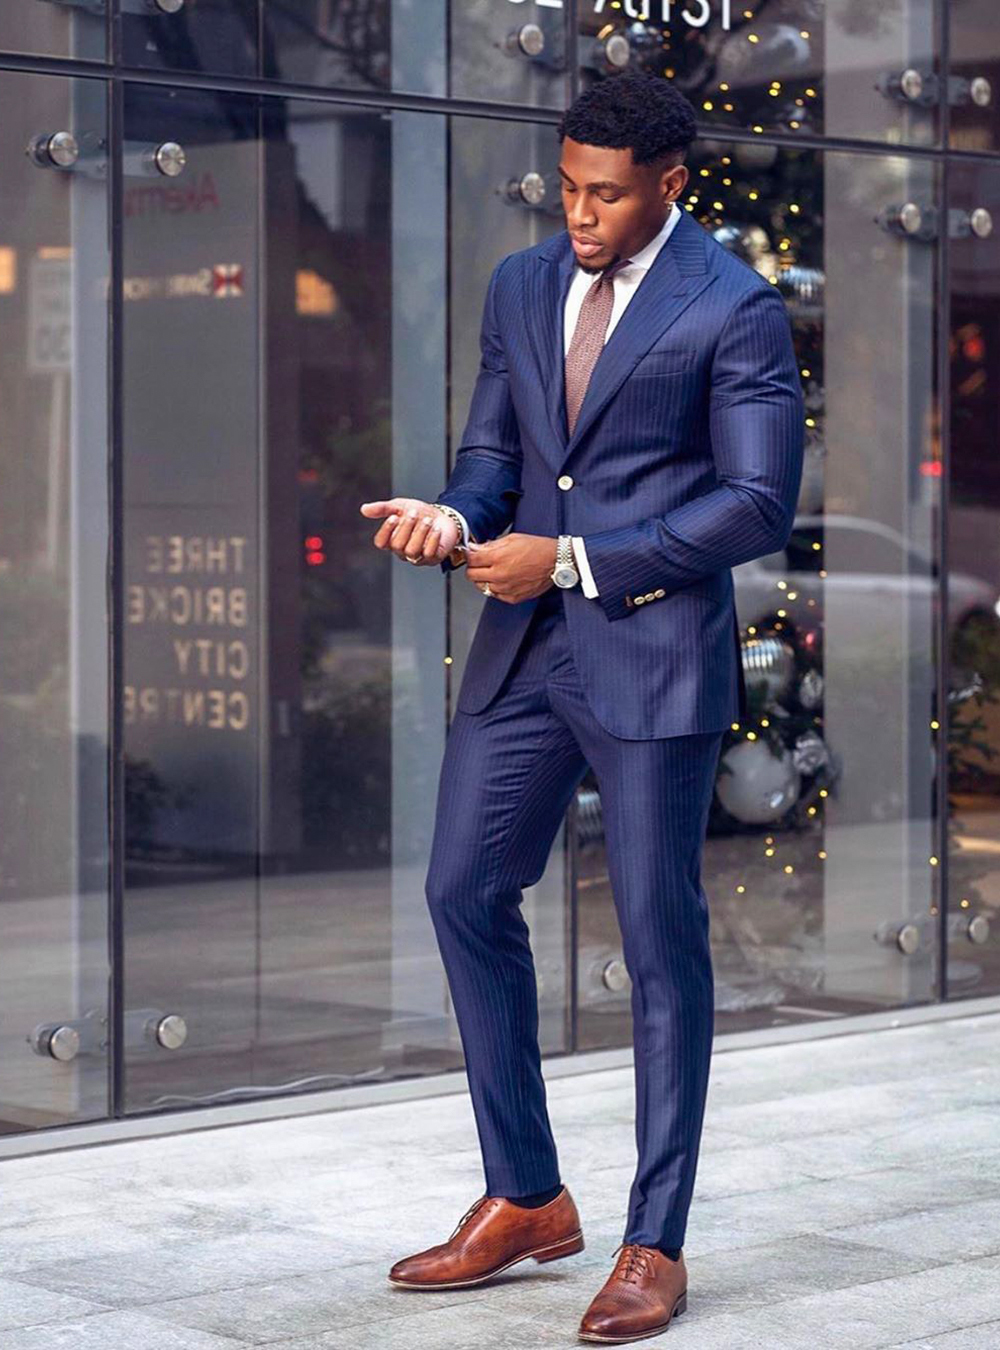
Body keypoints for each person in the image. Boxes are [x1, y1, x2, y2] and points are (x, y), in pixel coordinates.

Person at [359, 69, 804, 1345]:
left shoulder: (736, 308)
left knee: (661, 948)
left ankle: (652, 1241)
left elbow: (754, 505)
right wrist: (456, 518)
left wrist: (567, 559)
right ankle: (526, 1196)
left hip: (652, 654)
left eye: (605, 194)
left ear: (669, 183)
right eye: (566, 187)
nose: (580, 215)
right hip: (524, 652)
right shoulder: (520, 284)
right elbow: (500, 454)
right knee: (462, 889)